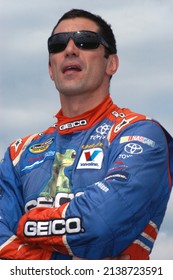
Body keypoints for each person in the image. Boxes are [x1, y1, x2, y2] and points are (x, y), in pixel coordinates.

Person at [0, 9, 172, 260]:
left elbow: (101, 223)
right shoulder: (18, 153)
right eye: (57, 45)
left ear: (111, 63)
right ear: (51, 68)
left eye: (86, 41)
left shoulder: (141, 133)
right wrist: (64, 266)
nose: (70, 49)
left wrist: (26, 226)